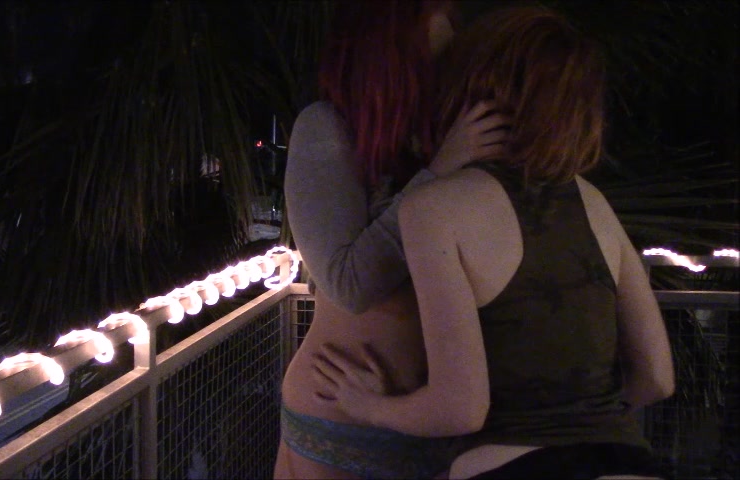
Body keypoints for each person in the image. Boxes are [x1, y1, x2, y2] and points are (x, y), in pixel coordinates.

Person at [312, 6, 675, 480]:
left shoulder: (433, 208)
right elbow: (657, 378)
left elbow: (460, 408)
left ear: (475, 84)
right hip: (627, 460)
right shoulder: (593, 201)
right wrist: (579, 421)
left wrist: (369, 407)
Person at [275, 1, 509, 478]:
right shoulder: (326, 128)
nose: (442, 79)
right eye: (429, 63)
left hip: (435, 422)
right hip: (340, 414)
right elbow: (348, 284)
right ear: (386, 61)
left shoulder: (439, 139)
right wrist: (441, 170)